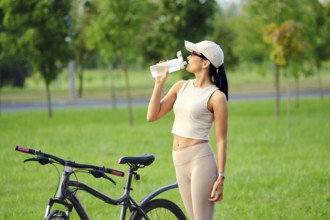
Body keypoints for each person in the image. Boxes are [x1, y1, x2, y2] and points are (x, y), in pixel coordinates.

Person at [147, 40, 228, 220]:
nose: (188, 57)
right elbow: (152, 115)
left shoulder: (216, 96)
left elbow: (221, 140)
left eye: (193, 54)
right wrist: (159, 83)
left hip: (200, 160)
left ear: (205, 63)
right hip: (178, 160)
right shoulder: (180, 86)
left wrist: (221, 177)